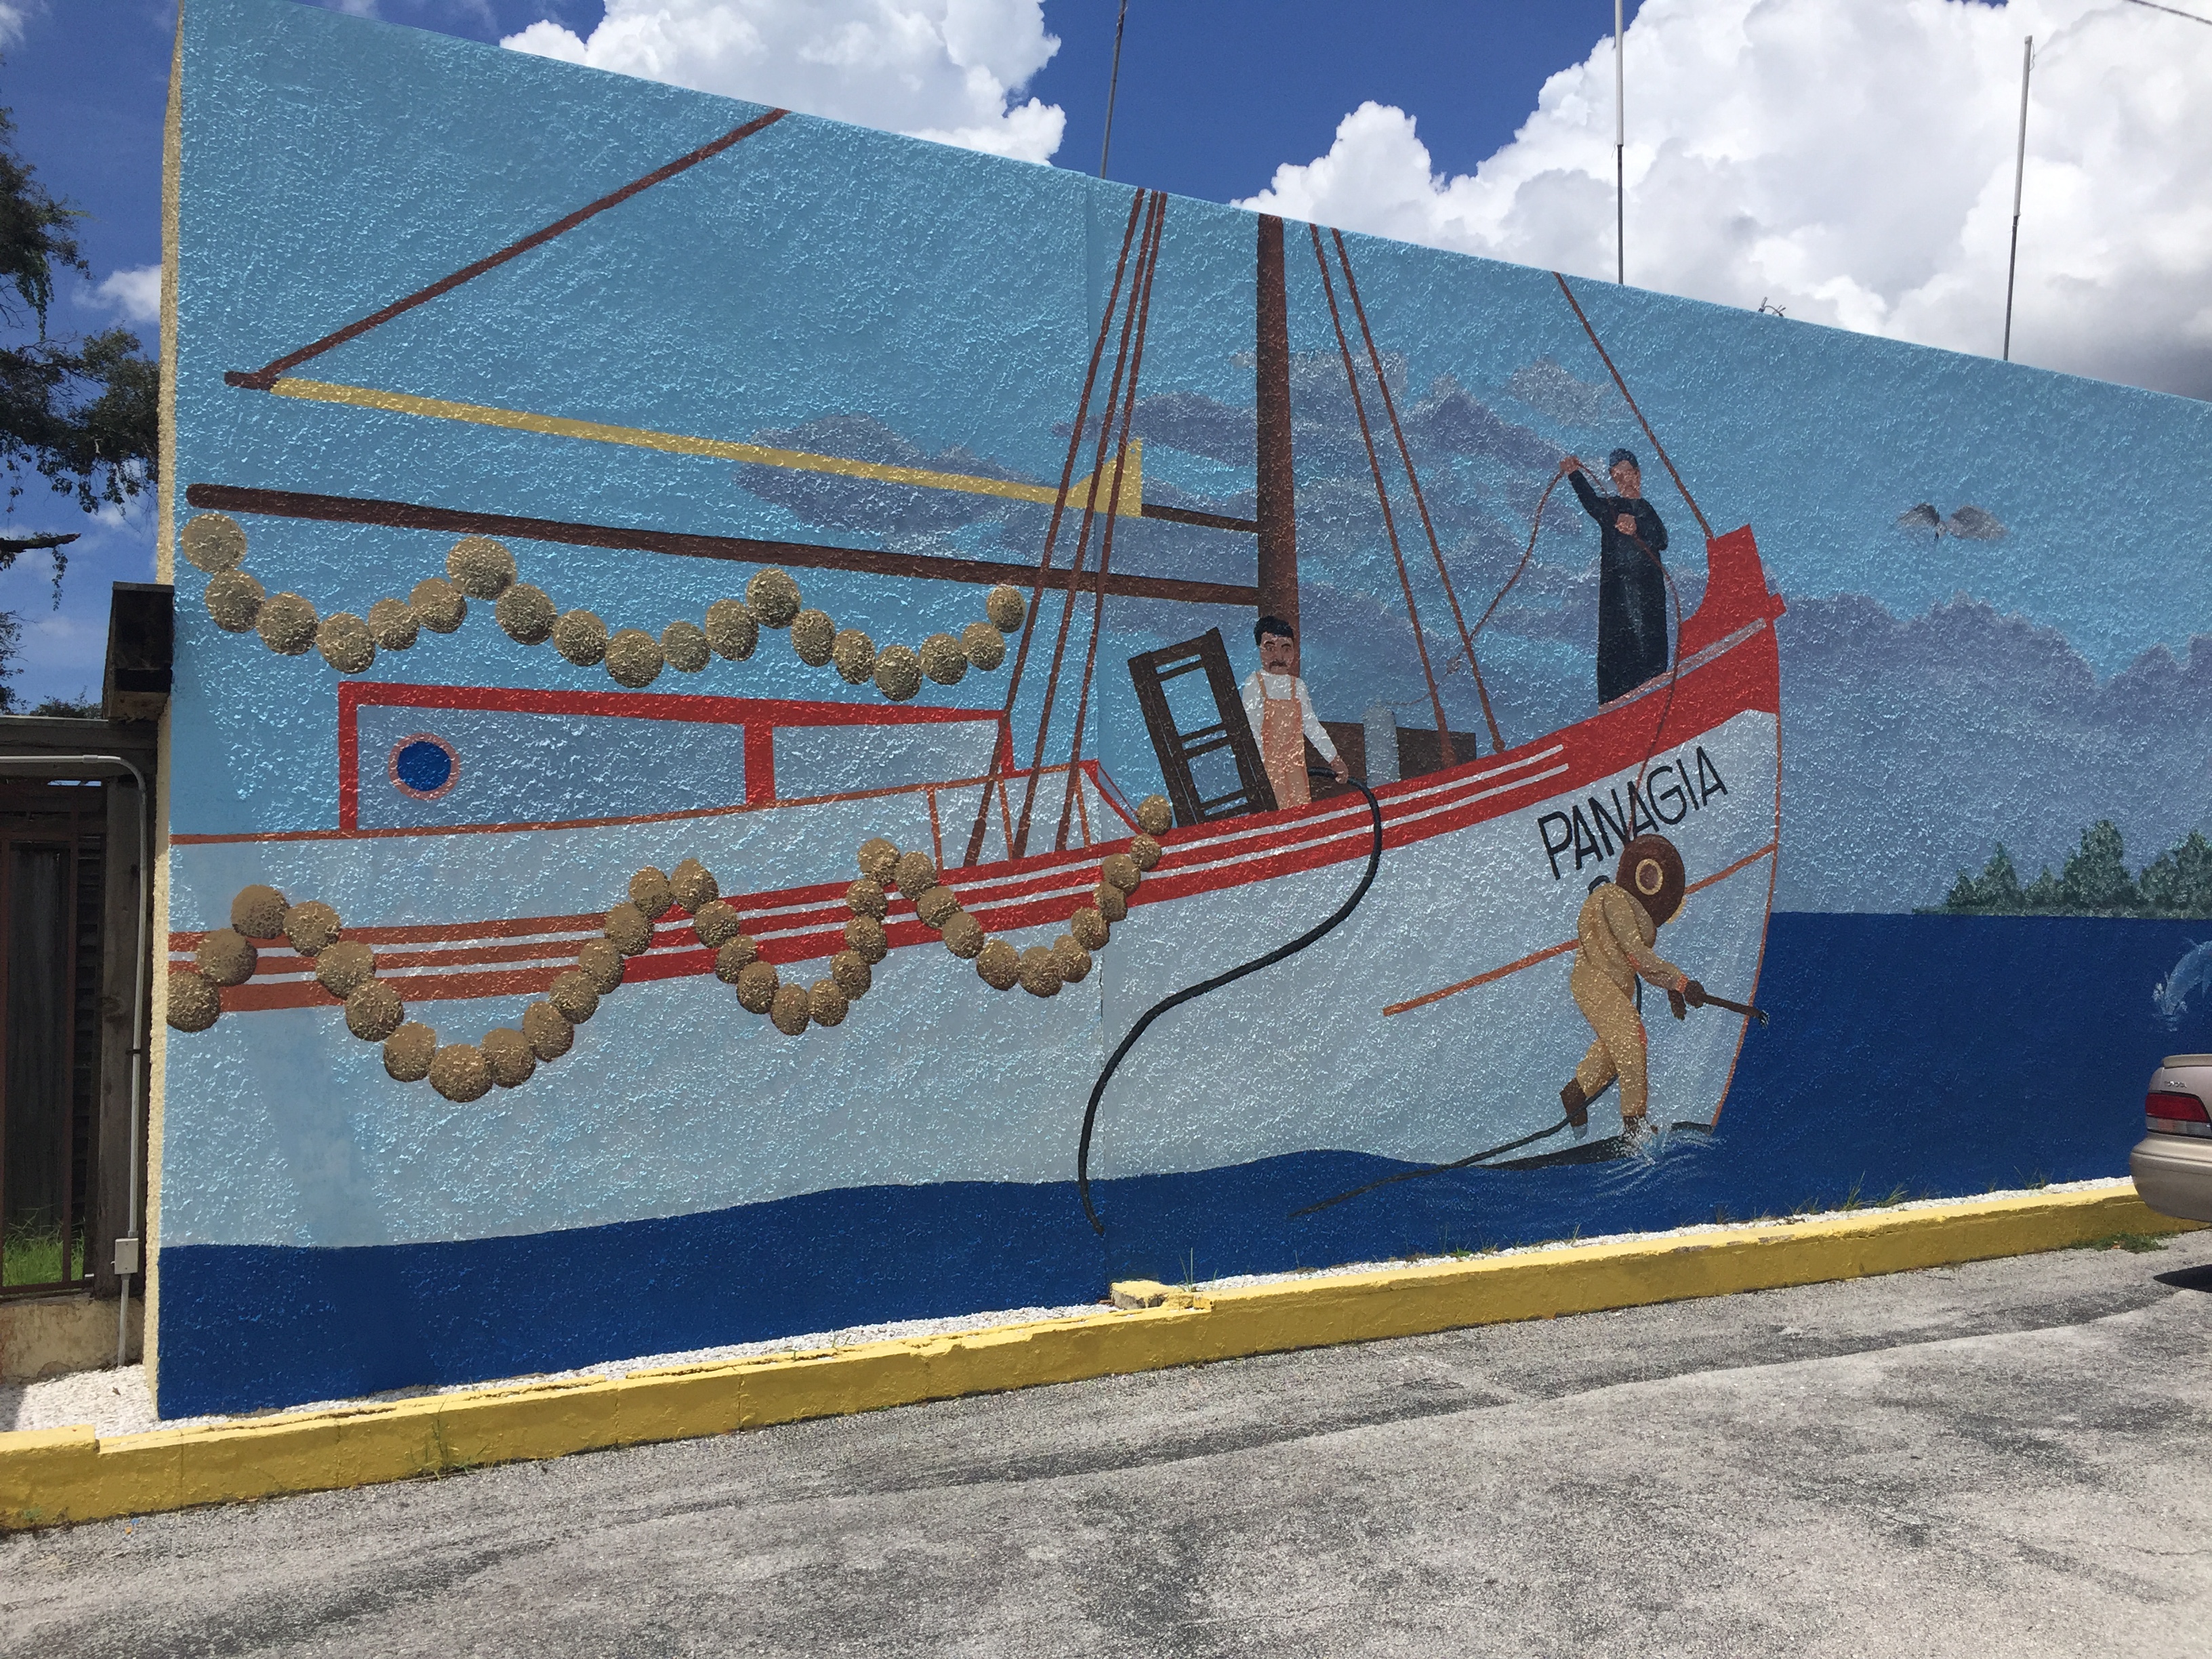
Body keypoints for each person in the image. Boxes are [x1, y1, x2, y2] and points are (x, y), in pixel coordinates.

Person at [1559, 833, 1706, 1141]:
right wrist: (1681, 983)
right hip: (1597, 983)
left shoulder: (1616, 904)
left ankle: (1578, 1091)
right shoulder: (1615, 900)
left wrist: (1674, 988)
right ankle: (1634, 1124)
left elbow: (1638, 959)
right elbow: (1638, 956)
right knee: (1630, 1039)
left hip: (1604, 985)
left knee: (1615, 1048)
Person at [1559, 447, 1669, 704]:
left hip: (1648, 595)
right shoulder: (1612, 510)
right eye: (1616, 476)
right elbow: (1591, 503)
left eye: (1626, 473)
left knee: (1651, 648)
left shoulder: (1647, 510)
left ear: (1637, 474)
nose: (1622, 480)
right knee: (1619, 650)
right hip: (1619, 598)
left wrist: (1637, 527)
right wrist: (1574, 474)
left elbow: (1661, 538)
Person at [1242, 615, 1347, 810]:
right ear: (1260, 649)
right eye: (1270, 648)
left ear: (1294, 652)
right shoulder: (1254, 684)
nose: (1279, 657)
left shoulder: (1298, 687)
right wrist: (1260, 772)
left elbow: (1312, 726)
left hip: (1296, 769)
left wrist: (1334, 759)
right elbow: (1252, 732)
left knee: (1301, 813)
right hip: (1268, 771)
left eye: (1286, 648)